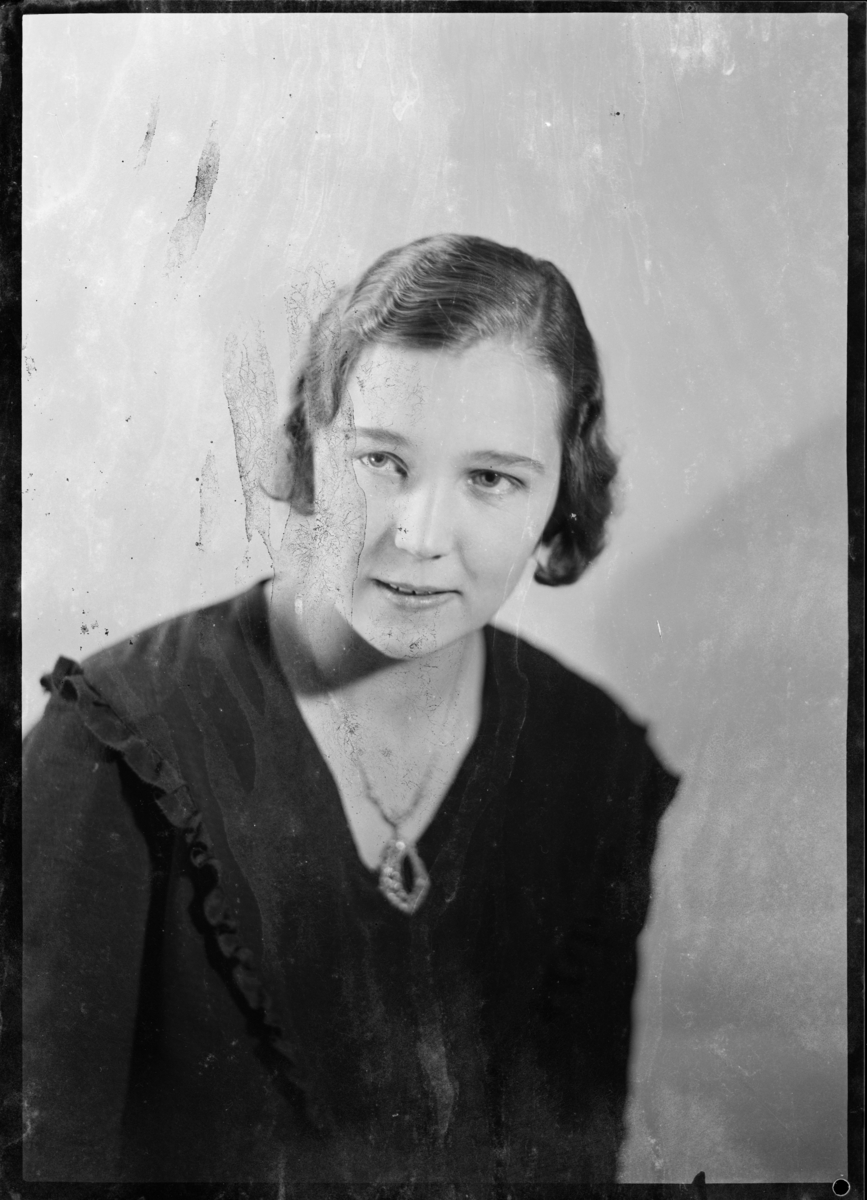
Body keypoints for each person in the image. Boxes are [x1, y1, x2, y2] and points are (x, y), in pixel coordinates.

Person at [23, 234, 679, 1191]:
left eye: (490, 478)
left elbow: (569, 1167)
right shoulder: (111, 744)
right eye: (380, 459)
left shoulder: (590, 761)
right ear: (307, 445)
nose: (419, 535)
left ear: (559, 497)